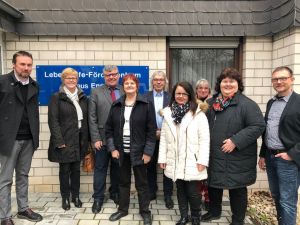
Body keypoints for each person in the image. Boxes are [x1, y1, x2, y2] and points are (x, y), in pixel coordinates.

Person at [202, 68, 265, 225]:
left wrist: (235, 141)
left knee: (237, 189)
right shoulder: (210, 104)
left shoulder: (247, 104)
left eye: (232, 81)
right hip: (214, 154)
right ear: (219, 84)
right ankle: (214, 212)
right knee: (214, 184)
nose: (228, 84)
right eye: (225, 81)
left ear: (238, 84)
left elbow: (258, 126)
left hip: (237, 157)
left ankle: (238, 220)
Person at [106, 74, 156, 225]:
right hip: (121, 152)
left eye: (132, 83)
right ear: (123, 86)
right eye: (126, 83)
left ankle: (145, 211)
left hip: (140, 152)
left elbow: (151, 131)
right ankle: (122, 209)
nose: (129, 86)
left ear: (137, 85)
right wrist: (112, 149)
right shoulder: (116, 105)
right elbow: (108, 130)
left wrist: (148, 152)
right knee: (123, 182)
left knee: (142, 184)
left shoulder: (146, 104)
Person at [158, 81, 210, 225]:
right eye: (178, 93)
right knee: (180, 190)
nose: (180, 96)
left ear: (190, 95)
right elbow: (164, 138)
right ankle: (183, 216)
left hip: (193, 160)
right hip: (174, 159)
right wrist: (162, 157)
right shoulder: (168, 113)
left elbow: (205, 139)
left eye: (184, 94)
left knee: (193, 192)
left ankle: (195, 217)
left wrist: (202, 161)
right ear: (173, 95)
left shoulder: (198, 113)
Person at [0, 51, 42, 225]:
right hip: (8, 138)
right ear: (14, 64)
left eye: (29, 64)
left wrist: (35, 136)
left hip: (29, 138)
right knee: (5, 179)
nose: (26, 68)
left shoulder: (34, 84)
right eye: (22, 64)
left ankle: (23, 208)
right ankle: (5, 216)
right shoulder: (2, 82)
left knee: (23, 175)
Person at [258, 66, 300, 225]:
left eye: (283, 78)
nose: (279, 81)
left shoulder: (298, 102)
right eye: (275, 79)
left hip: (288, 160)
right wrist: (262, 154)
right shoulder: (272, 102)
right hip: (270, 156)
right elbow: (267, 131)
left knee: (287, 201)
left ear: (292, 79)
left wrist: (292, 154)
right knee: (276, 195)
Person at [48, 68, 89, 210]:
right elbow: (53, 121)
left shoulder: (82, 97)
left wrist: (86, 140)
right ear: (63, 80)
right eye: (68, 78)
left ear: (77, 80)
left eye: (74, 78)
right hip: (64, 140)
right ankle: (65, 198)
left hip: (79, 139)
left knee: (76, 170)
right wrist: (59, 141)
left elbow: (87, 121)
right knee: (64, 170)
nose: (72, 80)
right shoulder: (56, 97)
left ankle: (75, 196)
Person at [89, 65, 124, 213]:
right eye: (108, 75)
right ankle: (98, 198)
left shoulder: (124, 90)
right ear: (104, 76)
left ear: (118, 75)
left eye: (114, 74)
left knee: (117, 168)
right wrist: (95, 138)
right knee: (100, 169)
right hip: (102, 140)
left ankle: (115, 192)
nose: (111, 77)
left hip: (120, 139)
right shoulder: (96, 92)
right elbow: (92, 117)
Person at [144, 71, 174, 209]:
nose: (158, 82)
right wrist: (153, 131)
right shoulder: (145, 97)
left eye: (161, 80)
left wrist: (163, 132)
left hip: (167, 138)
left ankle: (168, 195)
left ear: (165, 82)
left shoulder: (171, 97)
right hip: (150, 137)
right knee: (150, 166)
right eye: (156, 80)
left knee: (167, 166)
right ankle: (151, 192)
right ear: (152, 82)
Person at [195, 78, 211, 211]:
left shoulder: (214, 102)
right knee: (198, 173)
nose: (203, 90)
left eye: (206, 88)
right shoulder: (193, 103)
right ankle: (197, 198)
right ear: (196, 90)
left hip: (211, 141)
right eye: (200, 88)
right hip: (196, 142)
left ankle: (208, 198)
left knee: (209, 174)